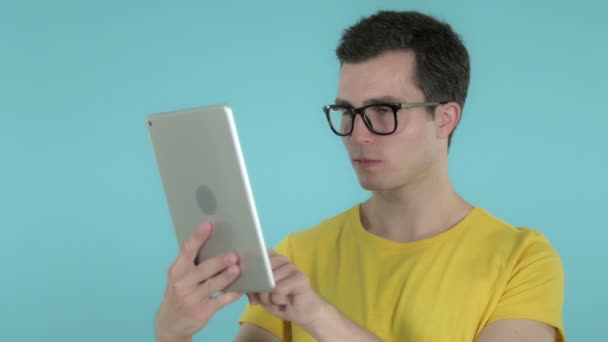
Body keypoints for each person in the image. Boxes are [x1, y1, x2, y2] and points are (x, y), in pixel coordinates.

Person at [154, 10, 565, 342]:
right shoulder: (298, 255)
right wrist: (173, 332)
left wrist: (319, 318)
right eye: (346, 112)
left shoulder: (521, 259)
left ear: (445, 118)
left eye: (383, 111)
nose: (357, 134)